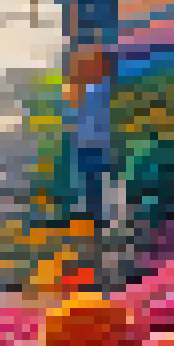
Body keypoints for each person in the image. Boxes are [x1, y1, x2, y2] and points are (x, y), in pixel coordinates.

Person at [65, 45, 119, 240]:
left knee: (95, 181)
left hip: (95, 143)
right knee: (89, 181)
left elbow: (97, 118)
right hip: (88, 142)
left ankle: (97, 219)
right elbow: (82, 115)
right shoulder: (93, 87)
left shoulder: (103, 89)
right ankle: (93, 217)